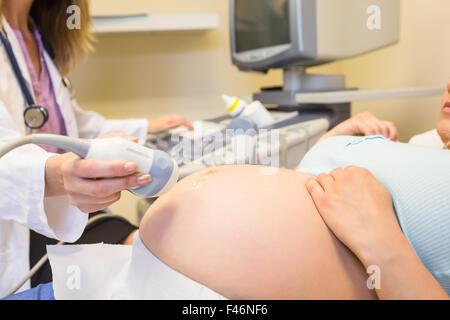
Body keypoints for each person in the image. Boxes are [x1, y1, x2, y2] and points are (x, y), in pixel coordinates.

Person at [0, 0, 194, 297]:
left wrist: (145, 127)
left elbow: (66, 123)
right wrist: (58, 175)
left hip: (69, 212)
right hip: (18, 232)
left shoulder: (38, 33)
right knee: (165, 266)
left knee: (172, 257)